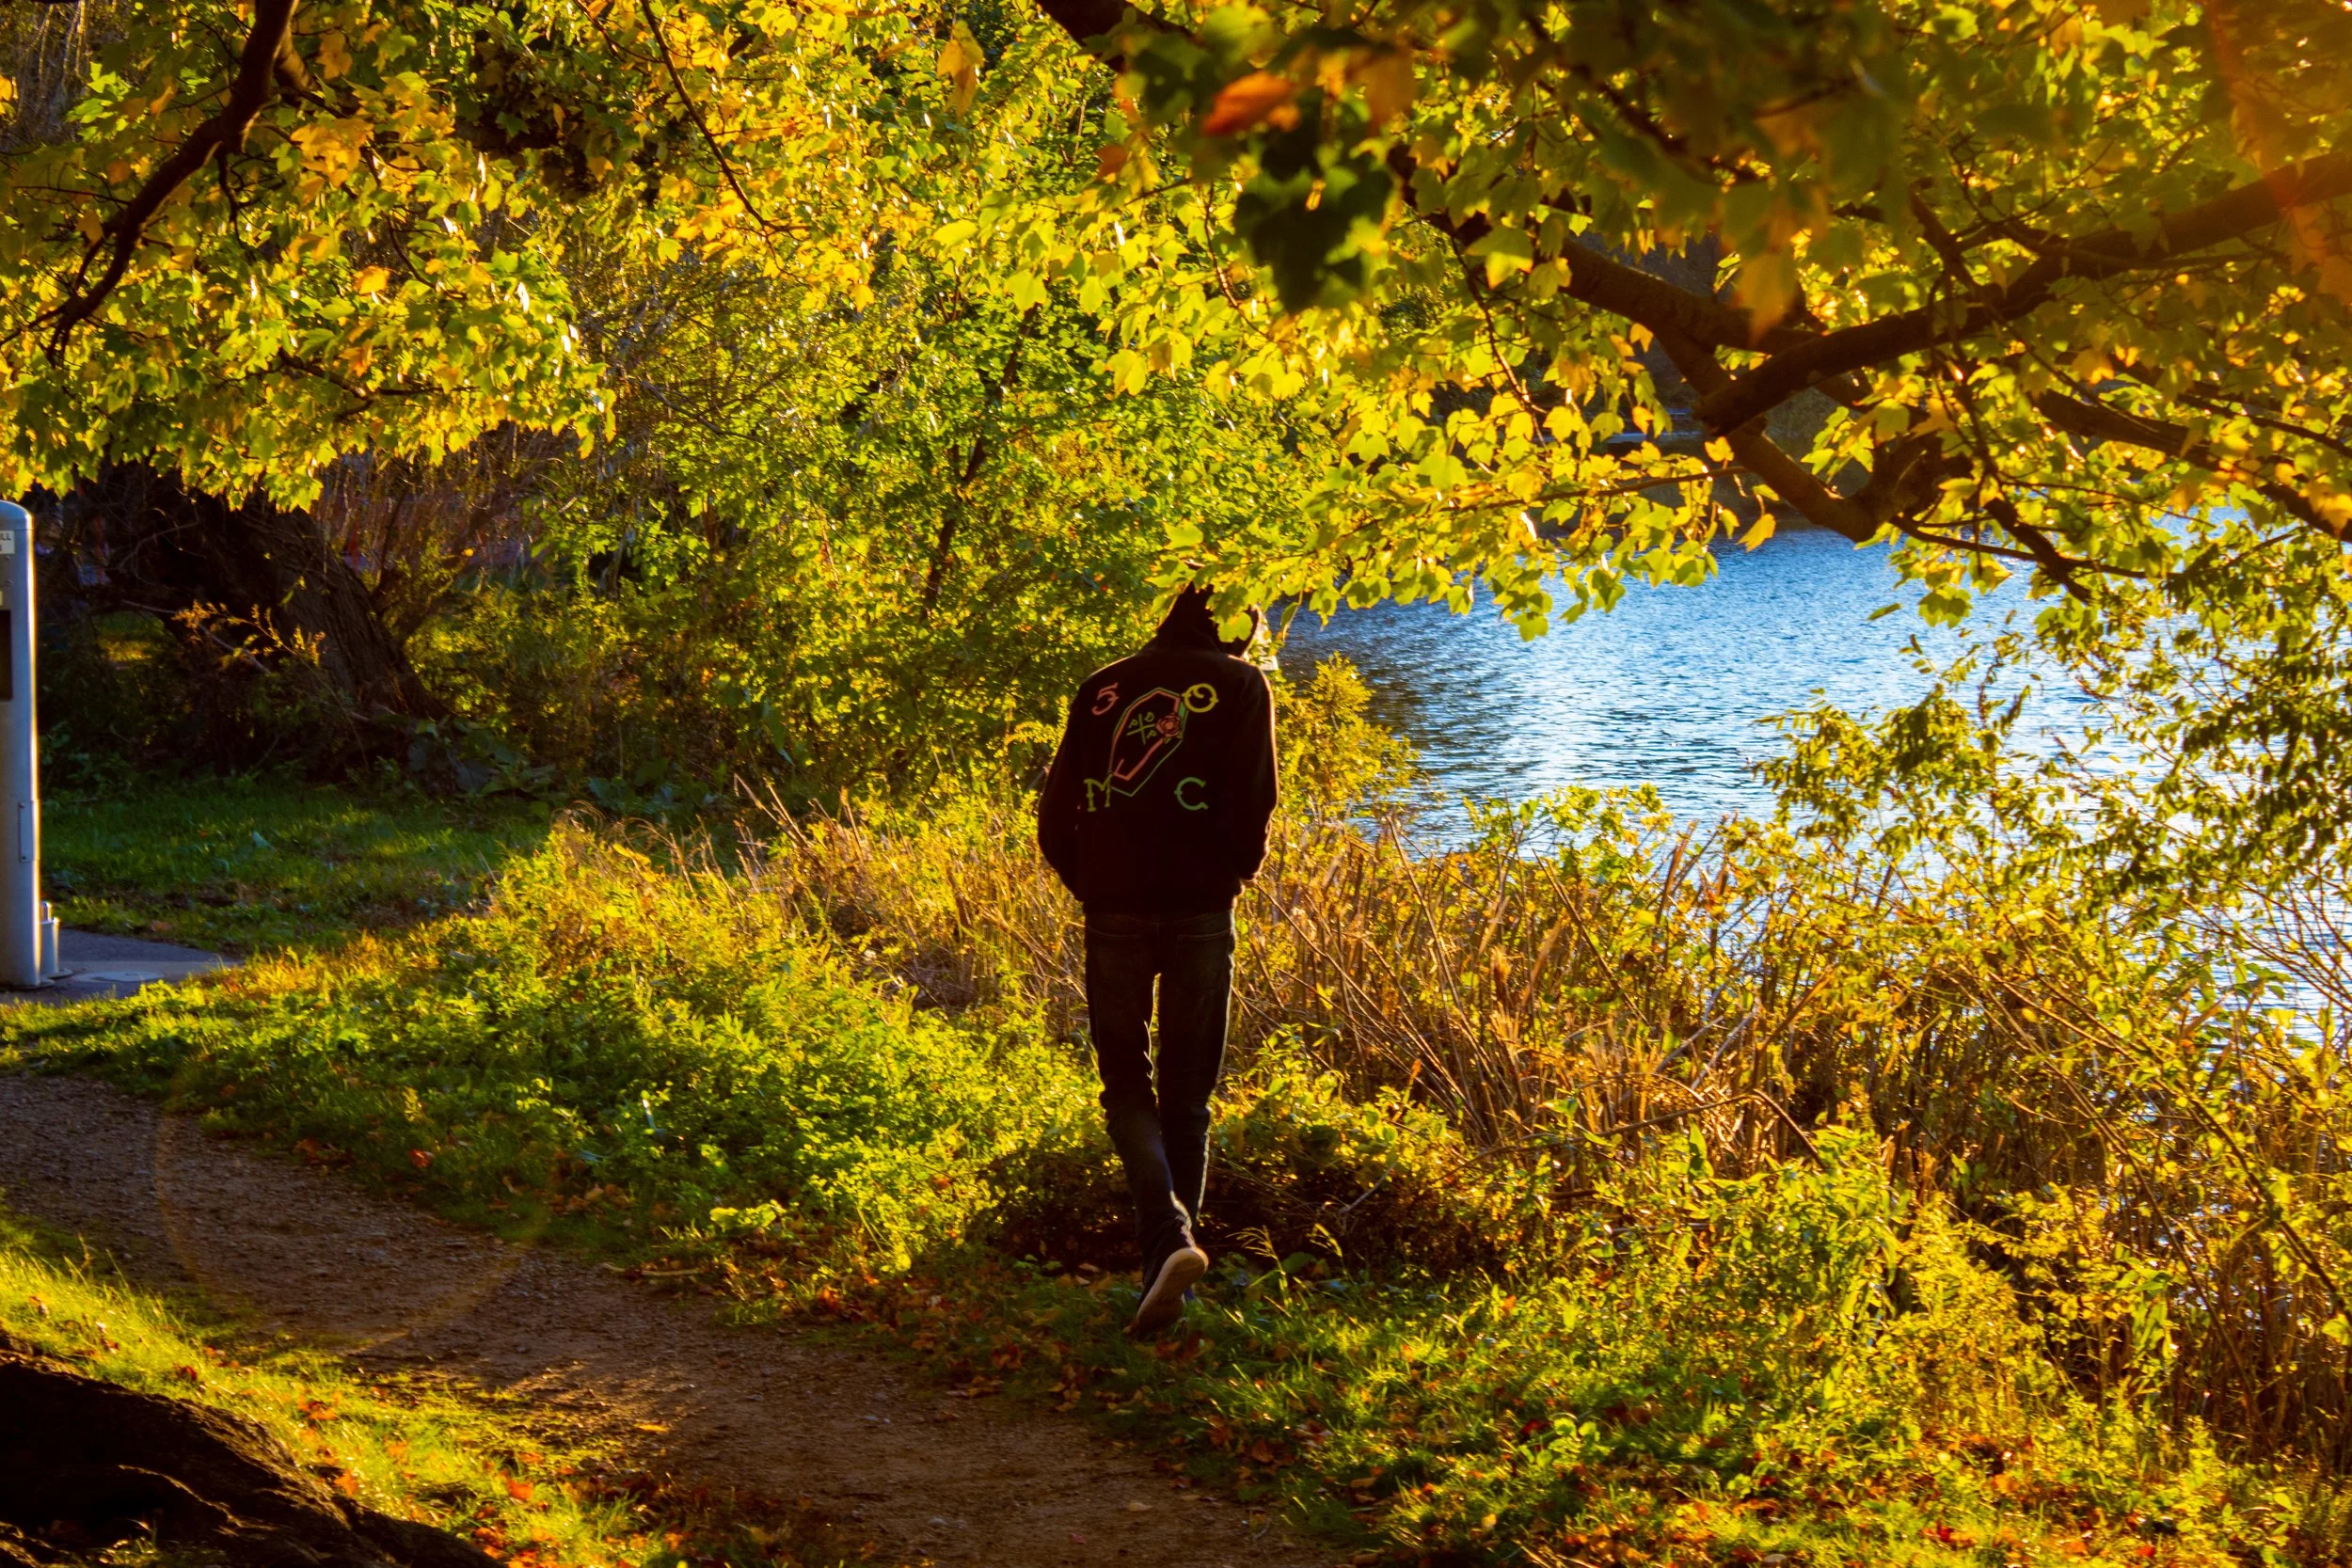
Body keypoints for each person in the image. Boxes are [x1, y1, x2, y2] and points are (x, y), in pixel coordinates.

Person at [1037, 585, 1279, 1337]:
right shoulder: (1242, 685)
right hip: (1202, 907)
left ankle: (1165, 1259)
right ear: (1236, 625)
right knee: (1189, 1091)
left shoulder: (1102, 685)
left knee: (1124, 1084)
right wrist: (1232, 875)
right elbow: (1254, 802)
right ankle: (1174, 1252)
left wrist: (1095, 880)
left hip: (1114, 906)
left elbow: (1055, 813)